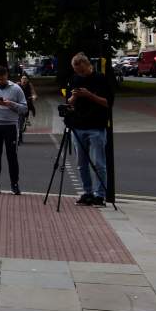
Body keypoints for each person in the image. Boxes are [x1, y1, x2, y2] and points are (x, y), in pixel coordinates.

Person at [67, 52, 113, 206]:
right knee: (81, 163)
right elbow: (69, 102)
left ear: (87, 65)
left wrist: (89, 95)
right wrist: (74, 97)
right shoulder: (74, 79)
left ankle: (99, 195)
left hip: (96, 126)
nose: (79, 74)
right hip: (78, 125)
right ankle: (87, 193)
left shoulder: (101, 79)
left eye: (81, 70)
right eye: (76, 71)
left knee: (99, 163)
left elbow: (107, 103)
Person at [0, 65, 27, 195]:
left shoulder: (16, 88)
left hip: (10, 126)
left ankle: (14, 184)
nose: (1, 81)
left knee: (12, 155)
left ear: (7, 76)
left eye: (3, 79)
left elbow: (24, 108)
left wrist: (11, 104)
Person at [18, 74, 37, 143]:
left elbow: (33, 93)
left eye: (25, 78)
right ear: (20, 80)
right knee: (20, 120)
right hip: (19, 105)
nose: (24, 80)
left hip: (27, 104)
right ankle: (19, 135)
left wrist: (34, 96)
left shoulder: (29, 85)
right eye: (23, 78)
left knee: (23, 120)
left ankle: (26, 121)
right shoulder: (17, 85)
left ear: (27, 80)